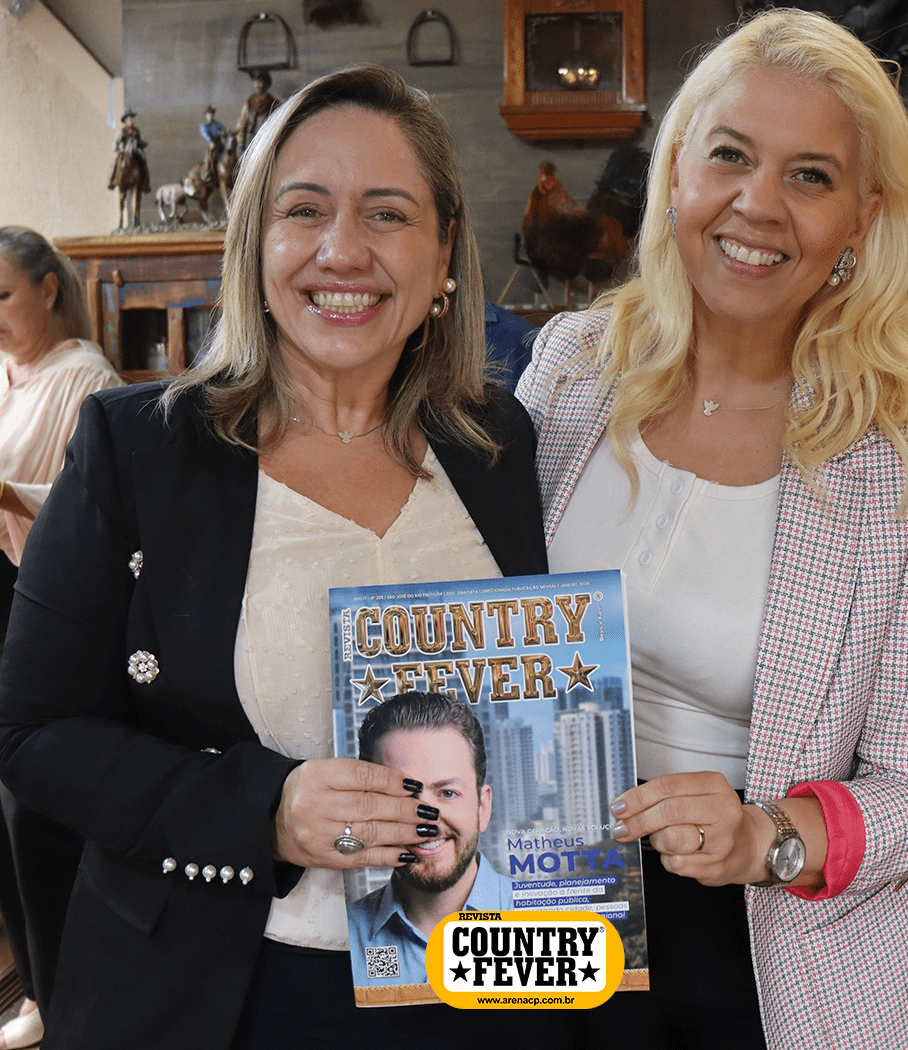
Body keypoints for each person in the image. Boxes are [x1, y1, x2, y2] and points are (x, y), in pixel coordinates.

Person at [0, 66, 549, 1050]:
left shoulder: (498, 443)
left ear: (444, 256)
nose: (343, 251)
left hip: (488, 985)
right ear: (254, 244)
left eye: (388, 213)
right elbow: (31, 733)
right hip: (226, 996)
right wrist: (266, 808)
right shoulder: (138, 447)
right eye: (304, 210)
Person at [516, 9, 908, 1049]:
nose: (758, 204)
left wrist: (762, 838)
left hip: (778, 959)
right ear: (677, 170)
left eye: (810, 176)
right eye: (730, 155)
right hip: (540, 912)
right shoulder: (570, 367)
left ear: (864, 217)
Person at [0, 226, 122, 1050]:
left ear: (47, 289)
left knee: (33, 804)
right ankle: (36, 982)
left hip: (37, 600)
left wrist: (7, 492)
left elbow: (91, 511)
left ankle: (63, 991)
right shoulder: (8, 375)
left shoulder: (88, 378)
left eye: (2, 295)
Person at [347, 691, 514, 990]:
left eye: (447, 793)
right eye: (401, 795)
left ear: (482, 807)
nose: (426, 822)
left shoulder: (551, 921)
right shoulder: (342, 936)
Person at [236, 71, 280, 153]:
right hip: (250, 142)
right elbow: (242, 123)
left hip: (267, 141)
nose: (257, 85)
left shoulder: (274, 103)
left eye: (260, 82)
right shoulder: (249, 104)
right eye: (256, 82)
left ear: (266, 84)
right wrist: (241, 142)